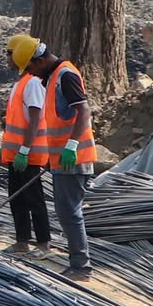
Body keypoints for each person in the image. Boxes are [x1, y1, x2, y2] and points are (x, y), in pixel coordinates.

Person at [0, 34, 59, 258]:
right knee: (17, 198)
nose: (7, 59)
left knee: (34, 199)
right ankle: (21, 241)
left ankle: (44, 243)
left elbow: (35, 118)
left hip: (29, 153)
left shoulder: (33, 83)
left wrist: (25, 150)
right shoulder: (20, 83)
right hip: (16, 153)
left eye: (9, 54)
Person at [42, 53, 98, 275]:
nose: (31, 74)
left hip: (74, 157)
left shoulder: (65, 75)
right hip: (62, 158)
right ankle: (78, 262)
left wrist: (72, 146)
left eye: (31, 68)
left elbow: (84, 110)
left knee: (70, 212)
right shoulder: (54, 76)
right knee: (66, 212)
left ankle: (81, 266)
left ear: (39, 61)